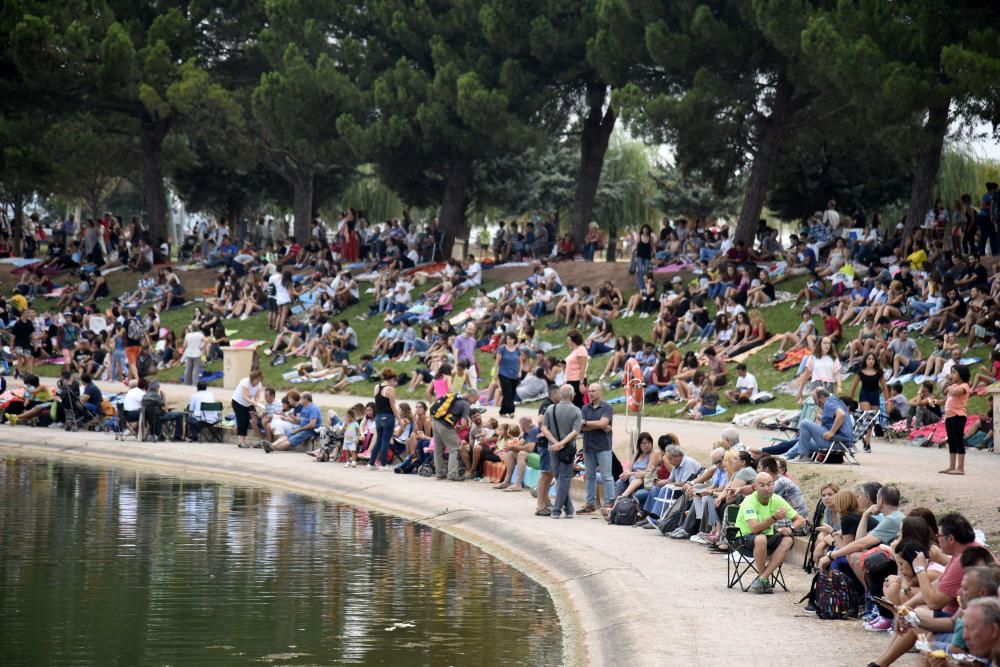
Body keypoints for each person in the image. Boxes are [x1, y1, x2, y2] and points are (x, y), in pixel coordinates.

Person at [733, 471, 806, 594]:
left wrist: (791, 529)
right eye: (762, 485)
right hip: (743, 539)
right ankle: (763, 579)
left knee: (788, 539)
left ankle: (762, 578)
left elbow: (801, 520)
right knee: (760, 538)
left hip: (765, 539)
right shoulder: (749, 501)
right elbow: (755, 529)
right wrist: (774, 518)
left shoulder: (777, 499)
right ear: (755, 487)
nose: (766, 488)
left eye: (770, 484)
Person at [540, 384, 582, 519]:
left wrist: (555, 443)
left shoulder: (551, 409)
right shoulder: (576, 411)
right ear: (572, 395)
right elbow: (575, 432)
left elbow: (544, 428)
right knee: (564, 478)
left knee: (559, 477)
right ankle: (557, 510)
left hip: (552, 448)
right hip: (568, 449)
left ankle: (569, 510)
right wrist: (562, 443)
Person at [784, 387, 854, 461]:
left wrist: (831, 432)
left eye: (815, 400)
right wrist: (822, 418)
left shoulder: (829, 403)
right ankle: (786, 456)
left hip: (838, 442)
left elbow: (841, 414)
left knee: (804, 423)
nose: (815, 403)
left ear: (822, 398)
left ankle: (803, 456)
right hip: (838, 441)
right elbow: (835, 418)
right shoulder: (834, 400)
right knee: (805, 440)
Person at [578, 384, 614, 514]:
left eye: (593, 391)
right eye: (589, 391)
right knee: (589, 476)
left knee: (607, 476)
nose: (591, 393)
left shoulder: (607, 407)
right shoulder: (584, 408)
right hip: (588, 446)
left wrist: (586, 423)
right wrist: (599, 425)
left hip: (603, 446)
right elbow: (579, 427)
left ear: (600, 392)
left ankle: (610, 502)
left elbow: (603, 423)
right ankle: (590, 504)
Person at [431, 389, 479, 481]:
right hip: (445, 426)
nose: (474, 402)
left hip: (435, 422)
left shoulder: (455, 396)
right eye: (475, 400)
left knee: (438, 449)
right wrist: (460, 428)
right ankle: (452, 474)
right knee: (454, 450)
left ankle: (440, 473)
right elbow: (464, 424)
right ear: (471, 396)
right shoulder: (465, 404)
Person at [533, 384, 560, 517]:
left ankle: (545, 500)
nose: (561, 396)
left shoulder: (552, 405)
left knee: (549, 474)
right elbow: (540, 421)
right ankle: (540, 506)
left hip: (547, 444)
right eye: (559, 394)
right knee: (546, 474)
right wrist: (547, 431)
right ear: (553, 394)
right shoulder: (547, 405)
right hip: (545, 444)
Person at [368, 368, 401, 470]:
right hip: (388, 417)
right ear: (392, 378)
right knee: (385, 441)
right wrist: (400, 420)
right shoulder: (390, 389)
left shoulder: (376, 387)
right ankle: (383, 465)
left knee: (378, 441)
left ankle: (371, 464)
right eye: (394, 380)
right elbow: (393, 406)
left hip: (378, 417)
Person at [941, 364, 971, 475]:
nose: (952, 375)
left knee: (958, 440)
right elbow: (945, 398)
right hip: (949, 416)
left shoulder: (964, 386)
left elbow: (954, 392)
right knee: (952, 441)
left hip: (958, 416)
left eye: (954, 372)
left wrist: (948, 386)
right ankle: (951, 466)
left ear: (961, 374)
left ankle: (960, 468)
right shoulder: (953, 386)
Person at [232, 369, 264, 448]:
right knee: (242, 420)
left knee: (248, 420)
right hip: (238, 402)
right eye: (257, 379)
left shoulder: (259, 385)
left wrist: (258, 403)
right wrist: (253, 402)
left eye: (260, 380)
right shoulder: (245, 382)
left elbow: (257, 397)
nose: (258, 381)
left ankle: (242, 440)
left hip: (248, 403)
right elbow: (245, 396)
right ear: (253, 378)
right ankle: (241, 441)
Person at [494, 333, 520, 418]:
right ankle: (511, 411)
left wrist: (519, 371)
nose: (509, 341)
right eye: (507, 339)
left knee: (511, 393)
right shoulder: (502, 349)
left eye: (511, 339)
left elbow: (520, 362)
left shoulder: (517, 349)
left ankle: (502, 411)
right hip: (503, 374)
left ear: (514, 340)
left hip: (514, 374)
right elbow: (497, 362)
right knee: (508, 392)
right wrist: (495, 373)